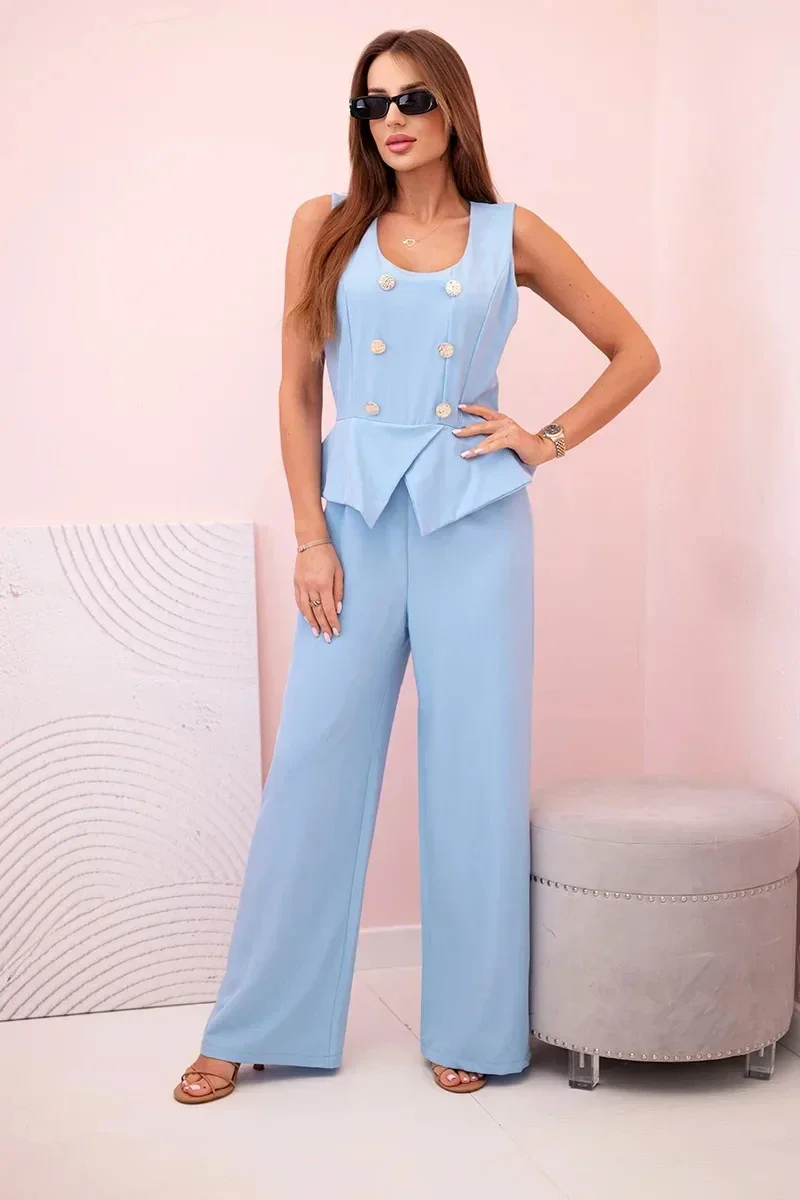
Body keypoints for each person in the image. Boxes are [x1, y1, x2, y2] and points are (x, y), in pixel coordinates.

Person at [173, 27, 660, 1104]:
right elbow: (298, 391)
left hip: (474, 523)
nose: (390, 120)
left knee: (475, 772)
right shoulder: (324, 224)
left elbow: (635, 351)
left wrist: (545, 439)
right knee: (313, 764)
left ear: (452, 110)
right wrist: (309, 536)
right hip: (352, 525)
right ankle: (253, 1023)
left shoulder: (509, 234)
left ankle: (473, 1026)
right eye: (372, 104)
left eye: (411, 100)